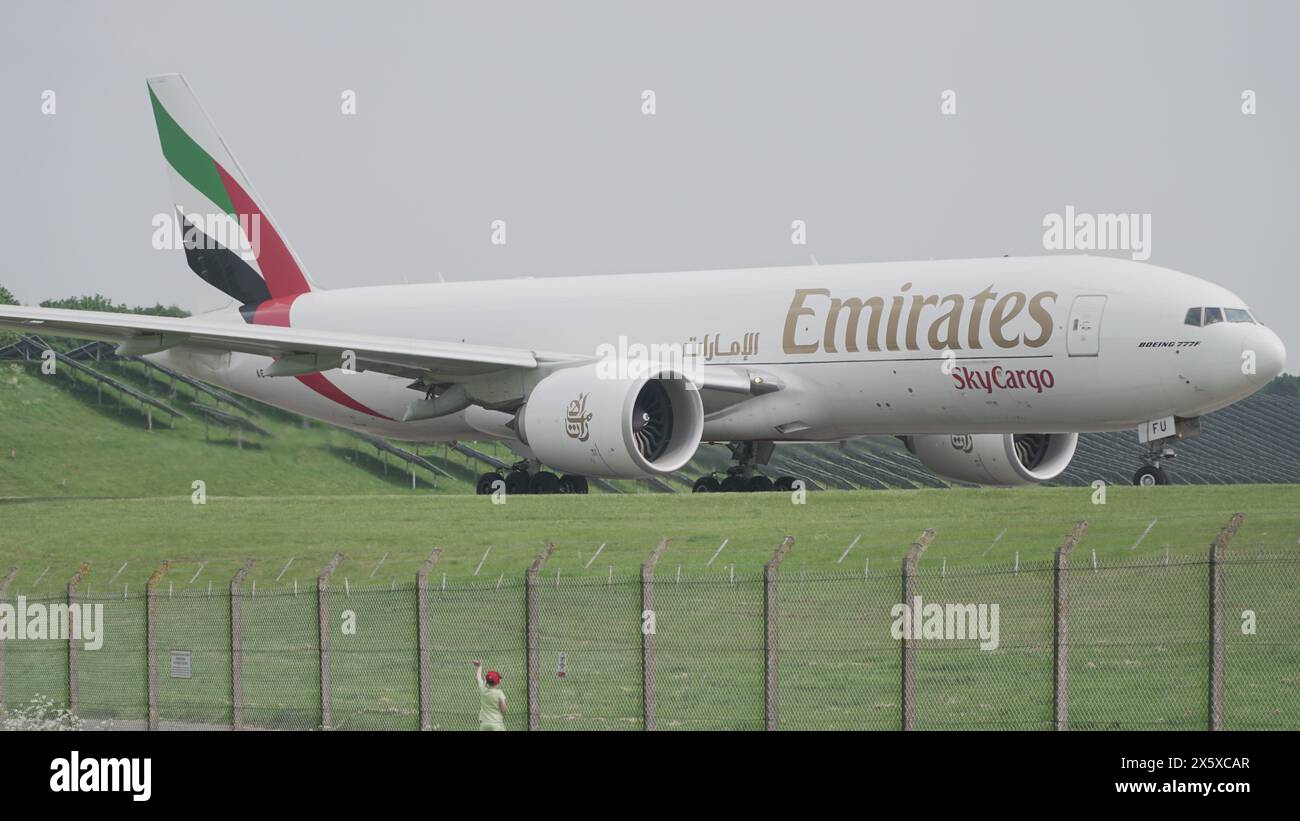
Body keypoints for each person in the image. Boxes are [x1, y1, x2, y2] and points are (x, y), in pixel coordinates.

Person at [471, 660, 507, 731]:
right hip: (497, 724)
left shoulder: (483, 689)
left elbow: (478, 677)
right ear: (498, 682)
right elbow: (504, 710)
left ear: (486, 680)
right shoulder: (499, 693)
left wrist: (479, 666)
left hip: (484, 724)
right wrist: (505, 703)